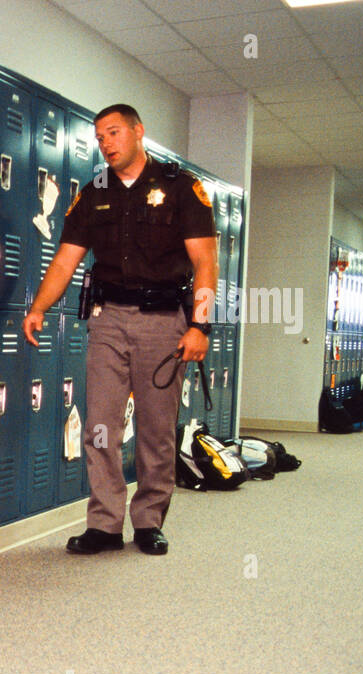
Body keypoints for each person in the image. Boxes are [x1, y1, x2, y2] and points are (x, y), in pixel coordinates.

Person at [22, 103, 218, 556]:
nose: (106, 143)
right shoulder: (94, 193)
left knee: (156, 428)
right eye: (100, 137)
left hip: (164, 322)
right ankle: (106, 524)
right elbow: (67, 259)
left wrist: (200, 325)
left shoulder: (180, 188)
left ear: (138, 132)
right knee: (100, 426)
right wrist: (38, 307)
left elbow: (206, 261)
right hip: (108, 319)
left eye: (113, 133)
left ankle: (149, 521)